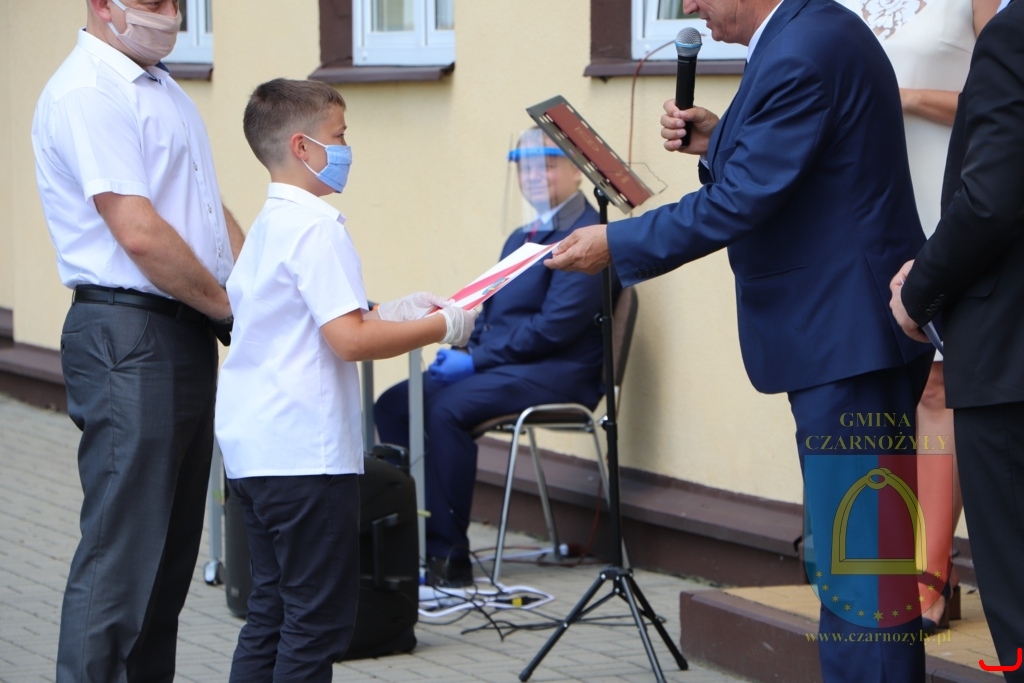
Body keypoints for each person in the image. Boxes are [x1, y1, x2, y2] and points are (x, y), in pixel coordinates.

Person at [546, 0, 935, 680]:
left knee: (861, 567)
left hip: (848, 340)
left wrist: (617, 242)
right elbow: (792, 160)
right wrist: (720, 136)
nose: (688, 6)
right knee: (853, 558)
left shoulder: (803, 48)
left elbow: (743, 199)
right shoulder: (805, 31)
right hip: (841, 336)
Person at [215, 78, 476, 681]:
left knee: (272, 611)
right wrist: (441, 326)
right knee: (316, 623)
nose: (346, 148)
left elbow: (326, 320)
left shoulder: (272, 224)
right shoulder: (317, 227)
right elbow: (350, 340)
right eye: (339, 136)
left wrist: (398, 311)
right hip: (304, 457)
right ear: (302, 146)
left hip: (257, 451)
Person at [31, 1, 245, 680]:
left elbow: (204, 211)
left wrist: (257, 294)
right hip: (130, 335)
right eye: (153, 2)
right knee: (122, 561)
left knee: (167, 563)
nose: (171, 14)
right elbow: (140, 232)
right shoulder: (90, 91)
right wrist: (230, 310)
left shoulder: (159, 86)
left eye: (177, 1)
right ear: (103, 5)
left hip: (177, 329)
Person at [374, 128, 616, 587]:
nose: (534, 176)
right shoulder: (521, 236)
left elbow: (553, 328)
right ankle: (412, 538)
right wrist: (464, 347)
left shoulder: (585, 236)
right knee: (394, 404)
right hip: (503, 366)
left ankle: (448, 555)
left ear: (576, 171)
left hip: (557, 373)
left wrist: (476, 361)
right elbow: (493, 310)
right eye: (525, 167)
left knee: (446, 410)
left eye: (547, 164)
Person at [839, 0, 1000, 632]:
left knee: (936, 384)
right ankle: (878, 562)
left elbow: (1004, 102)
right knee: (879, 373)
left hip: (948, 190)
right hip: (870, 203)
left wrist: (902, 97)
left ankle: (930, 576)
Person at [891, 1, 1024, 675]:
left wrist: (921, 292)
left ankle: (931, 578)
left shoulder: (1011, 31)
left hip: (1007, 342)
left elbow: (993, 199)